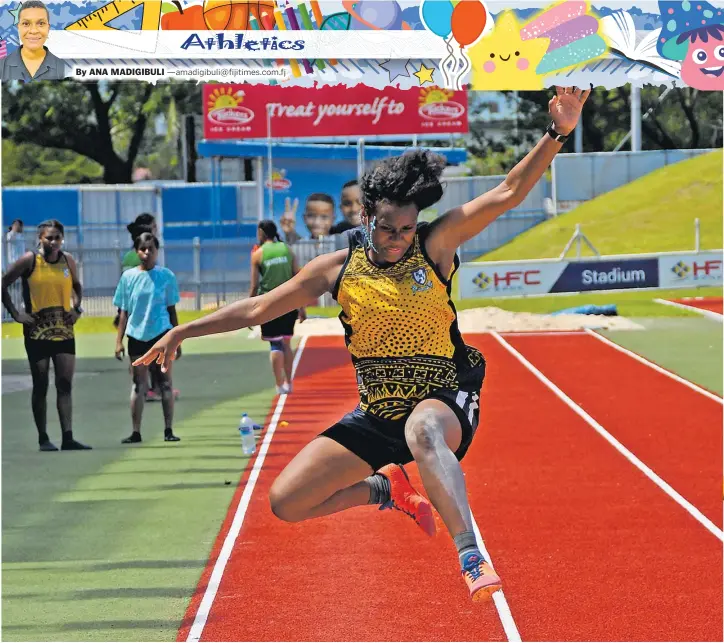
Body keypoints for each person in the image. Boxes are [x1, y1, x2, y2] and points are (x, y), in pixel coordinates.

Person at [134, 87, 589, 601]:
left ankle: (470, 554)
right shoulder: (338, 267)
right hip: (378, 413)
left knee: (422, 430)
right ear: (366, 215)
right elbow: (261, 307)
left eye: (407, 228)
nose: (398, 238)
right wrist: (182, 329)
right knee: (287, 501)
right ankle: (385, 488)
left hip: (446, 398)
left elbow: (508, 191)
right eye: (388, 227)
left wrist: (558, 133)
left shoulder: (434, 245)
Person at [1, 219, 91, 451]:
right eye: (48, 238)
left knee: (64, 384)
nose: (53, 242)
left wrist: (77, 308)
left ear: (62, 239)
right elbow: (3, 283)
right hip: (37, 333)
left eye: (57, 238)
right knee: (41, 384)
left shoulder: (67, 260)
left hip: (63, 331)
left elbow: (77, 286)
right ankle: (43, 438)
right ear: (40, 238)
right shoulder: (29, 261)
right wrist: (15, 314)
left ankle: (68, 437)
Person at [114, 233, 181, 445]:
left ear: (156, 251)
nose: (146, 253)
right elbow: (123, 312)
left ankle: (168, 429)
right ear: (137, 251)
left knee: (165, 383)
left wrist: (177, 339)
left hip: (161, 335)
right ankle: (136, 431)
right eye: (142, 249)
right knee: (138, 385)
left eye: (151, 249)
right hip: (137, 336)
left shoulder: (166, 276)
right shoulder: (128, 278)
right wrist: (119, 341)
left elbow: (172, 310)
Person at [249, 220, 306, 395]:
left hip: (269, 303)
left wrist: (250, 310)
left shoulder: (258, 254)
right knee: (286, 343)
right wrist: (302, 307)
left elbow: (254, 285)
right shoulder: (287, 250)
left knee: (275, 344)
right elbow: (299, 279)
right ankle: (290, 383)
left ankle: (279, 384)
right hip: (289, 302)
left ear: (261, 233)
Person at [0, 1, 66, 82]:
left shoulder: (63, 67)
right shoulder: (2, 66)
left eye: (41, 23)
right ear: (18, 27)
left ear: (48, 28)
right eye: (26, 23)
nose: (33, 30)